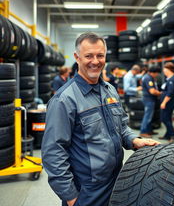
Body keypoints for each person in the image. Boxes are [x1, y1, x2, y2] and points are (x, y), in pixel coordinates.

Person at [41, 32, 160, 206]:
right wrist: (72, 197)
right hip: (87, 190)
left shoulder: (110, 90)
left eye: (100, 55)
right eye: (88, 56)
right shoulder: (64, 100)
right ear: (77, 57)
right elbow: (53, 151)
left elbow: (122, 126)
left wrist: (134, 140)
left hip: (117, 181)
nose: (95, 61)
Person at [159, 62, 174, 143]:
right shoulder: (173, 78)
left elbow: (170, 93)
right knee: (168, 119)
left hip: (168, 103)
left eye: (164, 69)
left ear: (169, 69)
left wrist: (164, 102)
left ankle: (173, 134)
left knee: (164, 119)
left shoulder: (172, 79)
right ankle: (168, 135)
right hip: (170, 102)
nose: (163, 71)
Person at [140, 66, 162, 138]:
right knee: (148, 116)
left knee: (150, 116)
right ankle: (143, 132)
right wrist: (160, 93)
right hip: (149, 99)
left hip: (150, 99)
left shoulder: (149, 77)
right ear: (153, 72)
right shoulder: (148, 78)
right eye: (156, 73)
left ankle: (149, 130)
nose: (157, 75)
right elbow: (152, 91)